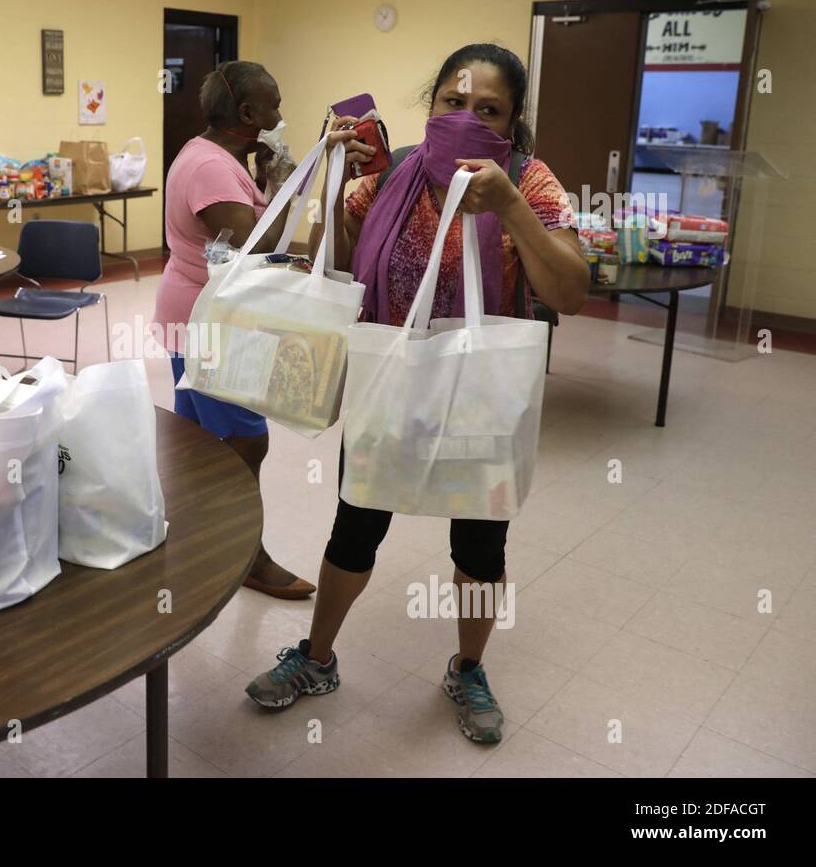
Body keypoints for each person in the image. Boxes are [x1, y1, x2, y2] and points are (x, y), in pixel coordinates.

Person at [245, 43, 589, 742]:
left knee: (480, 547)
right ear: (431, 105)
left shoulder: (530, 180)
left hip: (480, 394)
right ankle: (317, 658)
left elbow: (572, 291)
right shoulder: (394, 174)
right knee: (354, 528)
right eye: (452, 103)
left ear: (512, 121)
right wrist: (330, 171)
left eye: (486, 109)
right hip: (389, 379)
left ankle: (467, 668)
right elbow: (334, 266)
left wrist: (514, 210)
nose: (465, 117)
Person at [153, 60, 372, 600]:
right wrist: (293, 177)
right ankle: (247, 554)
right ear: (248, 113)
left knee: (198, 442)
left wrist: (277, 180)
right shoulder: (211, 169)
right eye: (273, 105)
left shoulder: (214, 156)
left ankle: (195, 534)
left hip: (198, 316)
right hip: (213, 324)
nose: (280, 114)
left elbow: (251, 239)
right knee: (247, 443)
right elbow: (254, 254)